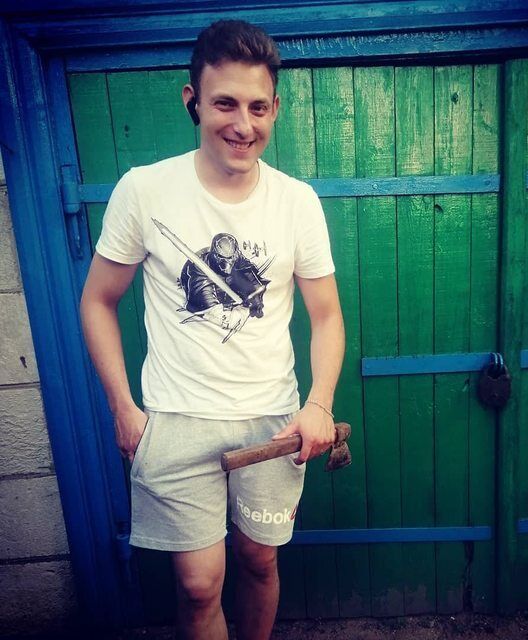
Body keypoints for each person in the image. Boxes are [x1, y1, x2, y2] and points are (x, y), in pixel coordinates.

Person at [80, 19, 344, 640]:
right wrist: (123, 408)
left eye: (258, 107)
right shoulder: (145, 191)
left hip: (272, 421)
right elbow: (97, 301)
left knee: (258, 562)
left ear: (275, 108)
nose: (242, 125)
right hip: (176, 419)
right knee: (199, 585)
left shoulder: (296, 202)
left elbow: (327, 315)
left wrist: (319, 404)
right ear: (192, 100)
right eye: (225, 103)